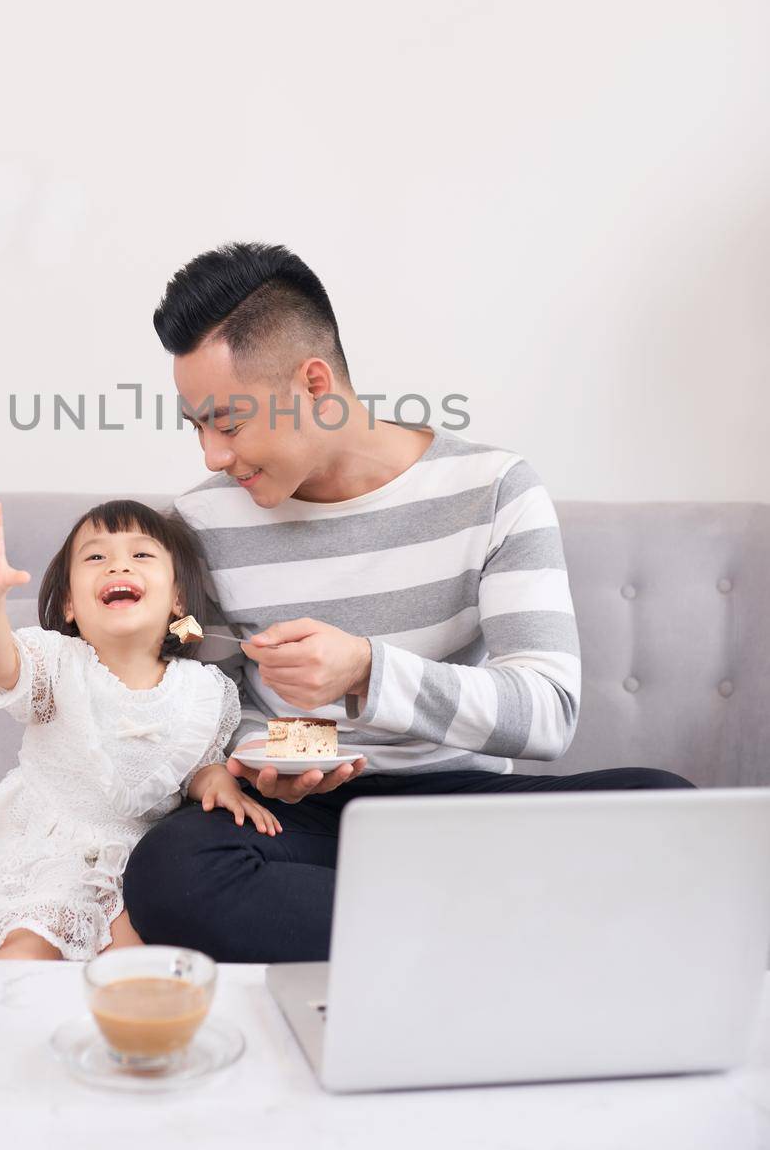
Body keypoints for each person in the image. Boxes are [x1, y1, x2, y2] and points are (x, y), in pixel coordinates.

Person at [121, 241, 695, 962]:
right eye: (196, 425)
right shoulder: (204, 521)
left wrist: (367, 672)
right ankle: (491, 937)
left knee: (668, 811)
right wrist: (270, 760)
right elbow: (216, 708)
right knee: (170, 870)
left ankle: (400, 933)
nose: (211, 454)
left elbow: (549, 712)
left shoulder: (494, 491)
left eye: (228, 424)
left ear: (315, 385)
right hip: (302, 826)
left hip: (459, 811)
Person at [0, 497, 280, 961]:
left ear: (178, 597)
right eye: (96, 556)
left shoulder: (203, 690)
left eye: (141, 555)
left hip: (140, 860)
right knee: (33, 941)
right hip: (52, 850)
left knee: (139, 961)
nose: (118, 565)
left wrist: (218, 783)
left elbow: (195, 767)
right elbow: (1, 665)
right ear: (69, 604)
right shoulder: (58, 664)